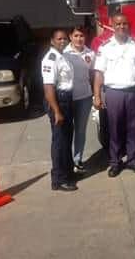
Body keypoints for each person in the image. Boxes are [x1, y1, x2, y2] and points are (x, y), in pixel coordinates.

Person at [93, 12, 135, 177]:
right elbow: (99, 73)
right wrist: (97, 95)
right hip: (114, 93)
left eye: (124, 24)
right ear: (112, 25)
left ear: (128, 26)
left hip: (133, 91)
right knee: (114, 129)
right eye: (118, 24)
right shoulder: (105, 47)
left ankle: (133, 160)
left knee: (134, 128)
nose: (121, 27)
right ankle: (115, 162)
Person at [41, 29, 77, 192]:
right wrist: (56, 111)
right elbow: (48, 88)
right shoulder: (50, 59)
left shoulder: (63, 55)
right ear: (52, 41)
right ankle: (58, 179)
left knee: (67, 138)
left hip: (66, 99)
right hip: (58, 100)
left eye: (64, 39)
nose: (62, 41)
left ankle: (68, 172)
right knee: (60, 141)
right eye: (59, 39)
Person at [63, 26, 95, 172]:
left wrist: (95, 94)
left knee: (80, 130)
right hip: (68, 98)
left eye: (81, 36)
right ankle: (66, 160)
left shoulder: (90, 54)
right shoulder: (64, 53)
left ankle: (77, 160)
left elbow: (93, 75)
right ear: (70, 37)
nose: (79, 39)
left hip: (85, 98)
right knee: (66, 130)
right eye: (76, 35)